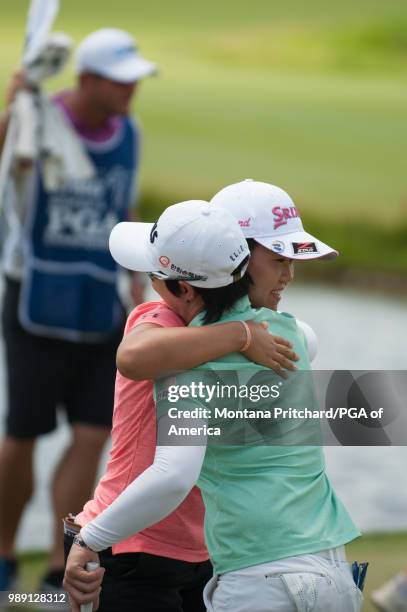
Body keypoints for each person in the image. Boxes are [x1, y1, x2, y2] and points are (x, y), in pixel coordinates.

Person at [64, 194, 362, 612]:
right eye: (279, 259)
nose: (288, 274)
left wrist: (88, 539)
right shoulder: (282, 333)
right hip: (325, 565)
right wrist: (242, 334)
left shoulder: (188, 361)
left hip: (228, 566)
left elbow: (174, 474)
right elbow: (134, 357)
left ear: (182, 287)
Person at [0, 28, 156, 595]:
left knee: (93, 435)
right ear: (86, 78)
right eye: (121, 79)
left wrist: (139, 284)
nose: (131, 89)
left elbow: (124, 205)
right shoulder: (36, 117)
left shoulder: (130, 132)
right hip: (35, 301)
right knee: (23, 433)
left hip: (101, 306)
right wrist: (15, 102)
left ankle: (55, 566)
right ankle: (4, 557)